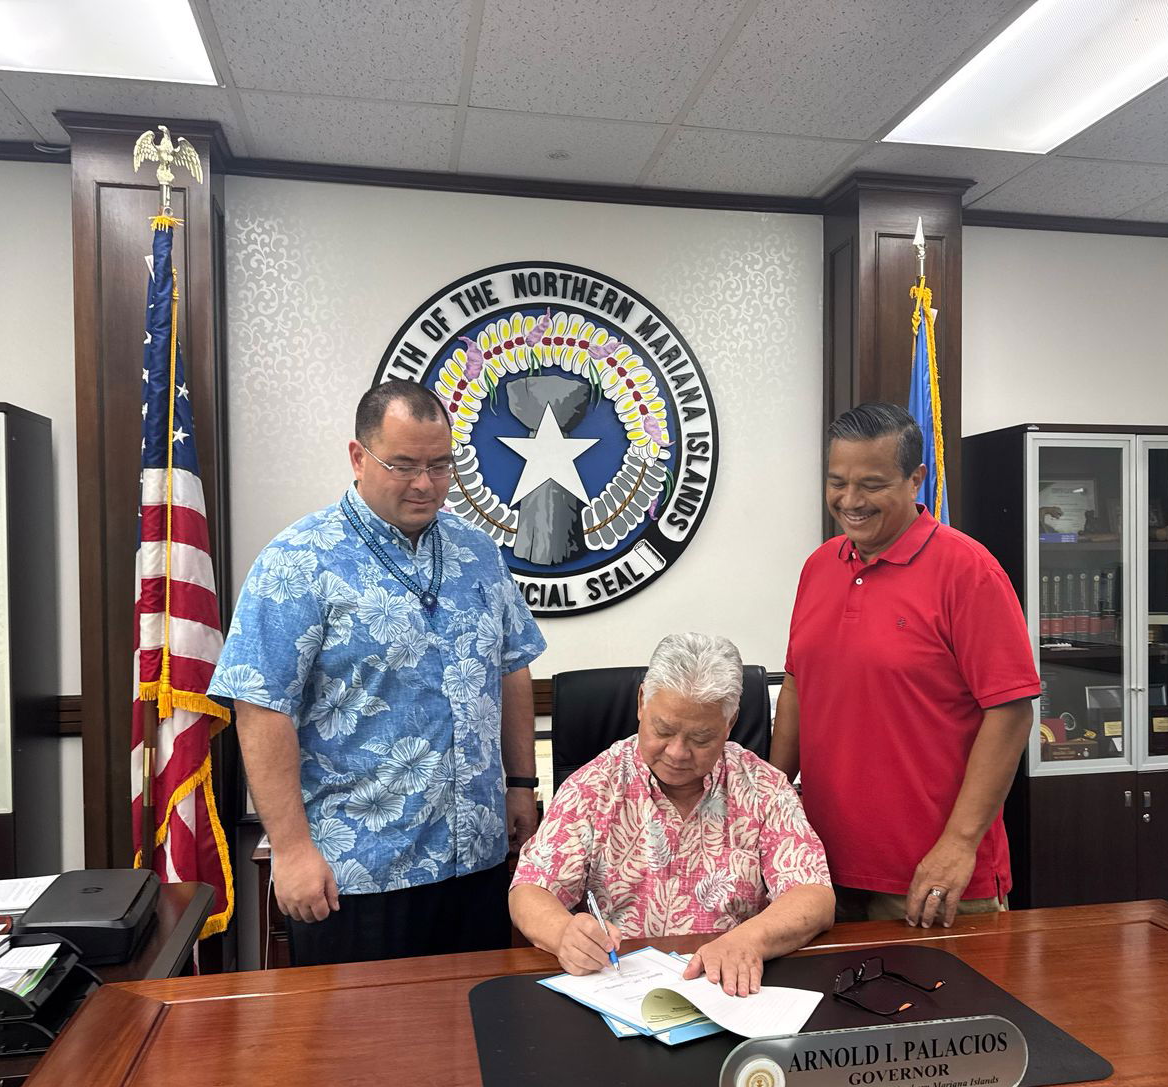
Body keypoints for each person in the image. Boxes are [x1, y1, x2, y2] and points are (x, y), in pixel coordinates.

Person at [210, 380, 546, 965]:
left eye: (441, 465)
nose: (425, 483)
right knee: (361, 1053)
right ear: (358, 457)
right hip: (358, 875)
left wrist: (521, 784)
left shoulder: (479, 553)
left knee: (482, 1041)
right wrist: (290, 851)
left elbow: (512, 666)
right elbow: (261, 708)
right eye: (404, 465)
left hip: (479, 859)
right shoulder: (297, 561)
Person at [771, 403, 1038, 930]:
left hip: (930, 879)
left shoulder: (969, 571)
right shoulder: (818, 567)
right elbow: (799, 686)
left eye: (871, 484)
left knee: (951, 1011)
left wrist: (959, 845)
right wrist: (770, 805)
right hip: (818, 872)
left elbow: (1011, 713)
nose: (850, 501)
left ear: (916, 478)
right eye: (837, 482)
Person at [511, 633, 834, 996]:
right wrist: (563, 934)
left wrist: (748, 940)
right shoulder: (594, 786)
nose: (678, 753)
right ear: (641, 704)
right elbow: (530, 889)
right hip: (622, 991)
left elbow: (814, 896)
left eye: (701, 738)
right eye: (663, 730)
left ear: (730, 724)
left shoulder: (763, 787)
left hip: (731, 988)